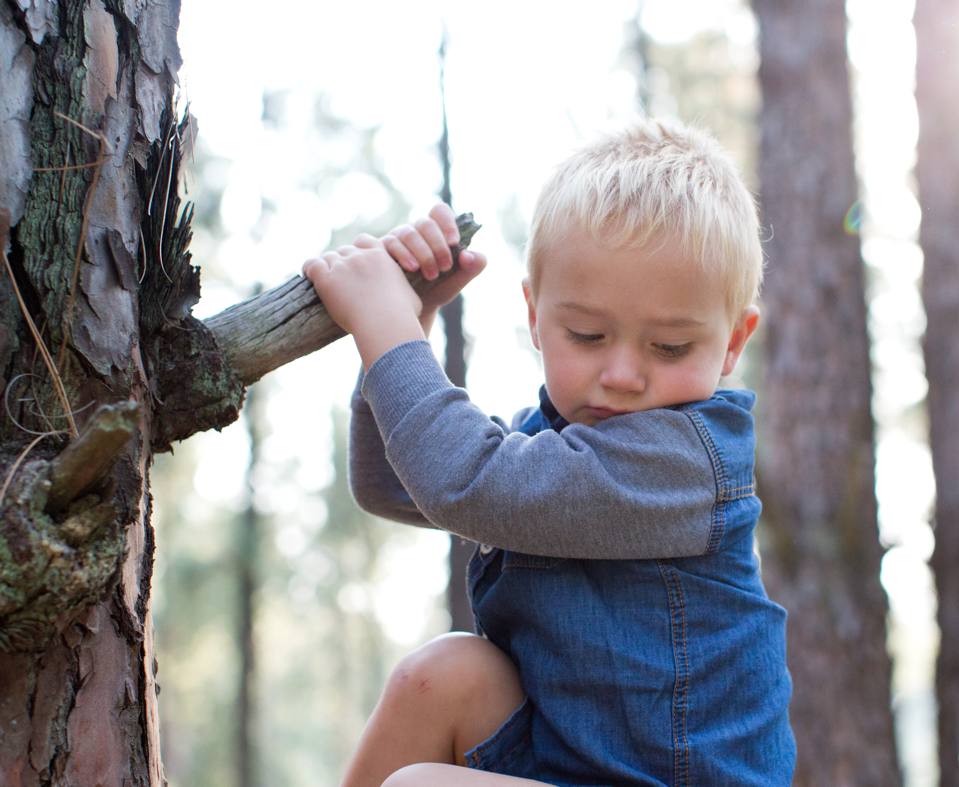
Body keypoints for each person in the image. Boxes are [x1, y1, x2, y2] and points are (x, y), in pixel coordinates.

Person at [302, 119, 796, 787]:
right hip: (567, 768)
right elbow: (396, 481)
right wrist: (406, 323)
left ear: (733, 342)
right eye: (588, 334)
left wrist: (388, 333)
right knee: (444, 677)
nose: (623, 373)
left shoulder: (685, 461)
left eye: (670, 347)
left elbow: (466, 481)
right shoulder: (550, 440)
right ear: (535, 314)